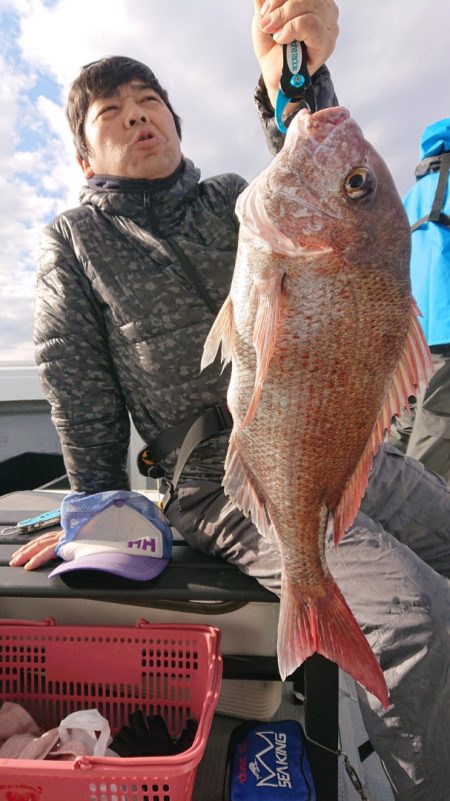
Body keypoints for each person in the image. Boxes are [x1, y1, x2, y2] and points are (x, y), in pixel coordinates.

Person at [9, 3, 450, 799]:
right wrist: (93, 510)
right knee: (416, 619)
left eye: (150, 103)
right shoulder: (75, 241)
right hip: (219, 480)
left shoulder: (233, 202)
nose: (139, 117)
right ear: (82, 157)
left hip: (332, 439)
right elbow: (76, 384)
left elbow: (319, 165)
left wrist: (296, 69)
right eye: (113, 113)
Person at [389, 118, 450, 485]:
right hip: (445, 328)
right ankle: (410, 514)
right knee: (438, 425)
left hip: (412, 338)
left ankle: (375, 498)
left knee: (408, 421)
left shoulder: (410, 198)